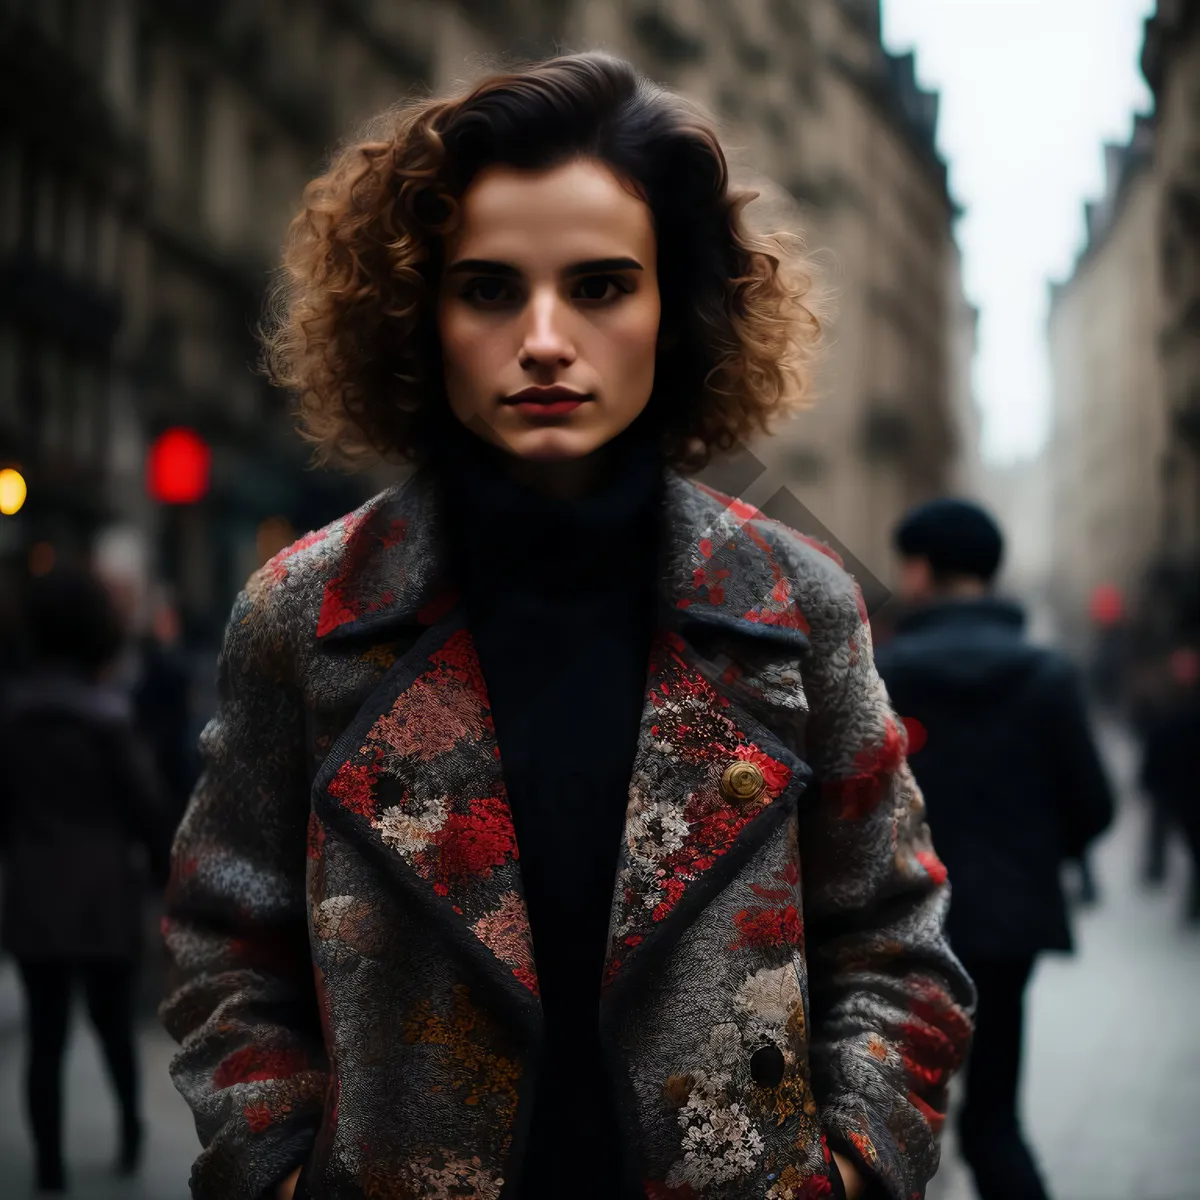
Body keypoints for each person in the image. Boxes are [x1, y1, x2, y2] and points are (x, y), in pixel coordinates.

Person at [161, 53, 973, 1200]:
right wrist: (280, 1172)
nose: (545, 337)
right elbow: (222, 939)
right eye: (490, 289)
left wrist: (846, 1173)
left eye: (599, 286)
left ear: (673, 309)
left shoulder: (793, 602)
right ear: (420, 314)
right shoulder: (309, 610)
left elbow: (895, 938)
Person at [874, 498, 1115, 1200]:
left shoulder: (884, 671)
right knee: (994, 1122)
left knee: (883, 1122)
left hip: (899, 930)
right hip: (1009, 929)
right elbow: (1094, 804)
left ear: (918, 571)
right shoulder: (1047, 675)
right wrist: (1035, 855)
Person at [0, 565, 172, 1193]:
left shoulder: (13, 718)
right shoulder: (109, 720)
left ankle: (49, 1163)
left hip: (35, 893)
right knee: (111, 1027)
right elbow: (148, 812)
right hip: (104, 897)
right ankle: (129, 1127)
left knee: (45, 1038)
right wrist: (164, 879)